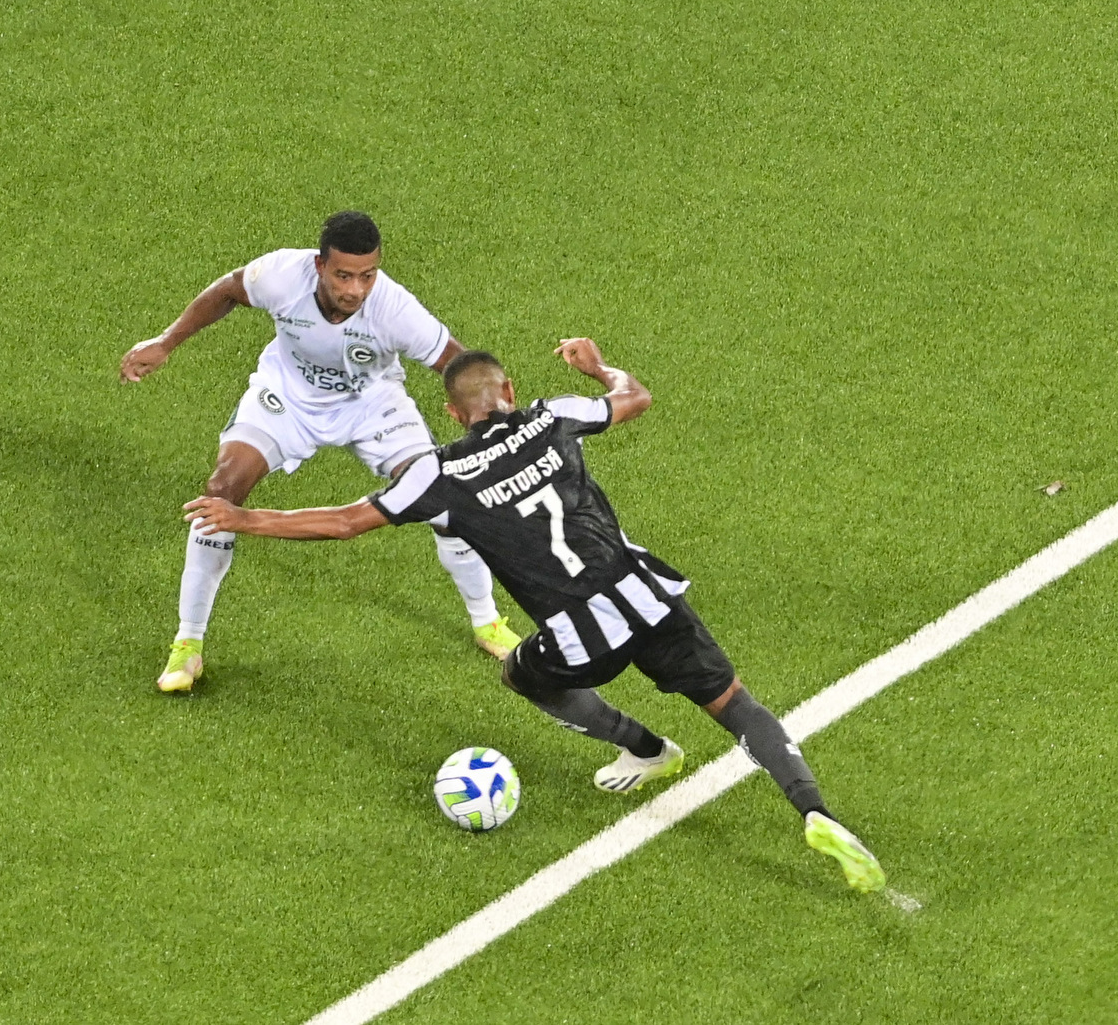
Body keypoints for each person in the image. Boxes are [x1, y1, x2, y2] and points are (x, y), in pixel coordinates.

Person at [184, 339, 887, 893]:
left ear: (453, 415)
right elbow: (633, 398)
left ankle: (646, 748)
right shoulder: (554, 417)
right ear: (510, 392)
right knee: (734, 703)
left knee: (524, 673)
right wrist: (597, 365)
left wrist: (246, 517)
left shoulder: (438, 473)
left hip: (582, 638)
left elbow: (344, 522)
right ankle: (814, 810)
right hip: (646, 594)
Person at [120, 211, 522, 692]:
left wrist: (494, 423)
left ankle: (486, 621)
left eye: (367, 275)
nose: (356, 290)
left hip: (372, 405)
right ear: (319, 265)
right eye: (343, 276)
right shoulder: (280, 275)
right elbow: (227, 291)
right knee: (221, 490)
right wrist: (166, 342)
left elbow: (460, 363)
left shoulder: (395, 309)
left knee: (441, 500)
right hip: (286, 398)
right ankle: (188, 644)